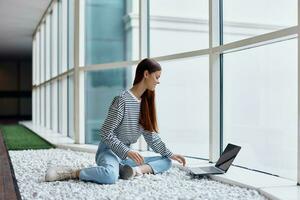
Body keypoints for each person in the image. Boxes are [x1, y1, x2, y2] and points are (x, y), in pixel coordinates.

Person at [45, 58, 186, 184]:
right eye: (157, 77)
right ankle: (73, 172)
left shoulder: (145, 103)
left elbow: (151, 136)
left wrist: (170, 154)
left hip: (126, 156)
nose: (158, 81)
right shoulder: (122, 100)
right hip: (109, 151)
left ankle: (135, 171)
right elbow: (106, 133)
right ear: (146, 74)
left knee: (166, 161)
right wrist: (127, 152)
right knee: (110, 177)